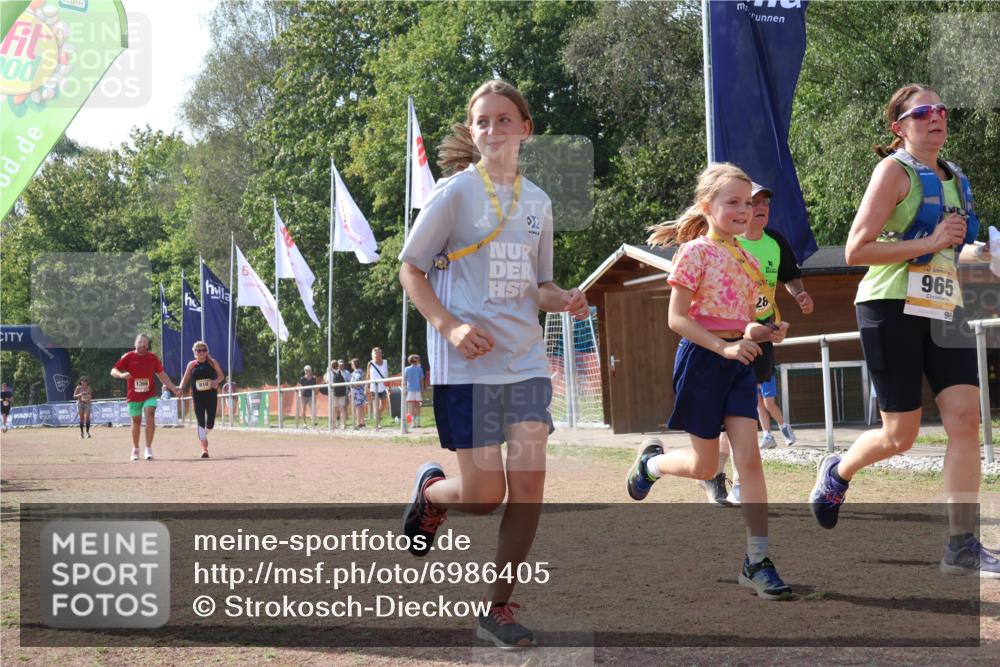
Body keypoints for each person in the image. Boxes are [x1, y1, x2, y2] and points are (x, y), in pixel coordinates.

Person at [399, 79, 590, 649]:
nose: (493, 129)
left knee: (528, 484)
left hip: (525, 363)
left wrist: (564, 298)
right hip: (469, 368)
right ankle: (433, 493)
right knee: (484, 497)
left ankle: (497, 609)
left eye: (505, 119)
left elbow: (540, 284)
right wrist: (451, 327)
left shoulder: (539, 202)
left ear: (525, 128)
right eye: (482, 121)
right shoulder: (455, 194)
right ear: (472, 130)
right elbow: (410, 269)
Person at [809, 83, 998, 576]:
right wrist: (930, 242)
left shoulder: (956, 178)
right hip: (889, 304)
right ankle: (837, 470)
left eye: (942, 110)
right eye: (923, 112)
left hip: (946, 304)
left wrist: (985, 256)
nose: (936, 117)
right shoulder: (893, 171)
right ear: (899, 127)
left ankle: (961, 545)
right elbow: (856, 250)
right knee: (901, 435)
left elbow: (952, 247)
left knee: (965, 419)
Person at [626, 163, 794, 600]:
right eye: (733, 202)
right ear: (707, 206)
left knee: (749, 459)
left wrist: (763, 332)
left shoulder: (748, 258)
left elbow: (743, 321)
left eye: (748, 203)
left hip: (739, 362)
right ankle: (650, 465)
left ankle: (757, 561)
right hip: (703, 362)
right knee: (705, 467)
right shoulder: (694, 252)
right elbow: (677, 319)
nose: (744, 210)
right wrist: (723, 347)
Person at [704, 181, 814, 506]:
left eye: (765, 201)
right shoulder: (727, 243)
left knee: (743, 410)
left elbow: (790, 276)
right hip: (729, 335)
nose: (761, 206)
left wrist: (800, 294)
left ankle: (725, 477)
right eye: (754, 201)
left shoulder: (775, 242)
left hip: (763, 332)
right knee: (736, 412)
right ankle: (720, 475)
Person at [111, 333, 179, 461]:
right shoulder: (128, 357)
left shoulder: (152, 358)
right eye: (140, 342)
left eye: (145, 342)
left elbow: (162, 375)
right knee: (136, 422)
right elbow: (113, 370)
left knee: (150, 415)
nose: (142, 344)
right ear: (135, 343)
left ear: (147, 346)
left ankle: (148, 448)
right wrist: (121, 375)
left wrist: (173, 388)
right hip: (133, 395)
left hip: (149, 394)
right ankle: (135, 448)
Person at [178, 341, 225, 458]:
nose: (201, 352)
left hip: (211, 395)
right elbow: (185, 378)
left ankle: (203, 434)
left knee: (210, 423)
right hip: (197, 396)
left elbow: (221, 376)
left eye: (204, 350)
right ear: (194, 352)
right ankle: (204, 449)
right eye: (198, 350)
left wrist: (216, 381)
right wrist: (180, 388)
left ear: (207, 351)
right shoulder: (191, 364)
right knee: (200, 421)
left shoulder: (212, 362)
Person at [366, 347, 390, 430]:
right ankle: (378, 423)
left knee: (383, 404)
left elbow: (387, 374)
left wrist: (389, 386)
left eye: (378, 353)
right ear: (373, 355)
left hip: (383, 386)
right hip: (374, 387)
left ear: (381, 354)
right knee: (376, 405)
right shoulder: (370, 363)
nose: (377, 355)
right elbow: (368, 376)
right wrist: (366, 387)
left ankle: (378, 417)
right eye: (375, 353)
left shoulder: (385, 362)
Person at [325, 359, 350, 429]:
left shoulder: (330, 373)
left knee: (334, 409)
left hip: (333, 392)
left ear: (331, 366)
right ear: (337, 365)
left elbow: (328, 381)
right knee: (342, 408)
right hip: (342, 392)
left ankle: (334, 424)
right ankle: (343, 424)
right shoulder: (342, 372)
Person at [403, 354, 427, 427]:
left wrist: (404, 389)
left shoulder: (406, 369)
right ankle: (418, 423)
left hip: (410, 390)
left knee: (410, 407)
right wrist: (422, 389)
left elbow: (404, 380)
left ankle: (411, 423)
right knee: (417, 406)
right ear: (417, 360)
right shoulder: (420, 369)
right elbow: (421, 380)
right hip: (418, 389)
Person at [349, 358, 366, 428]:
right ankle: (362, 422)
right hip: (360, 392)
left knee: (358, 407)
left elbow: (357, 381)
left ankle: (359, 422)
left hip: (357, 392)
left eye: (351, 364)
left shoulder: (357, 372)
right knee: (361, 407)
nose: (351, 365)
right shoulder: (361, 371)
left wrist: (352, 385)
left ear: (354, 365)